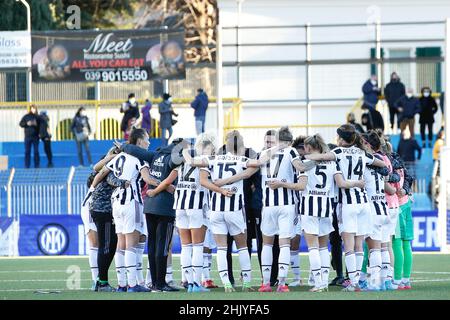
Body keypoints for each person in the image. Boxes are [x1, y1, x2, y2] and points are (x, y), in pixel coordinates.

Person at [184, 131, 277, 292]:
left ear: (225, 144)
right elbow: (257, 165)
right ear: (241, 145)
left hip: (216, 210)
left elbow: (192, 163)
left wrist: (184, 149)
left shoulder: (213, 159)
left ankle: (227, 283)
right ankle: (246, 284)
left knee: (221, 248)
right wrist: (276, 148)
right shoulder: (242, 159)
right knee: (242, 247)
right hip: (235, 209)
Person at [273, 134, 364, 292]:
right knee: (323, 247)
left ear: (308, 147)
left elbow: (301, 186)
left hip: (310, 206)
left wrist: (282, 183)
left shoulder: (305, 163)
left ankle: (319, 283)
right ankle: (324, 281)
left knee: (313, 247)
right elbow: (339, 183)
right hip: (327, 206)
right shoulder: (332, 163)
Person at [304, 124, 387, 292]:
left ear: (341, 139)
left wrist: (305, 157)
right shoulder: (362, 153)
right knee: (359, 245)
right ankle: (361, 282)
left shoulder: (338, 152)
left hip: (347, 204)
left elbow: (319, 157)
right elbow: (381, 163)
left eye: (338, 137)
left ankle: (354, 283)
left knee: (348, 246)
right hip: (364, 203)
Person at [94, 128, 159, 293]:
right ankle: (132, 284)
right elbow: (147, 179)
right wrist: (165, 185)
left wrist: (92, 188)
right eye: (147, 139)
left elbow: (100, 171)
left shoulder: (119, 157)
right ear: (139, 142)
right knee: (131, 244)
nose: (149, 143)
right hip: (132, 202)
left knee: (121, 245)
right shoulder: (140, 159)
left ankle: (122, 284)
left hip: (116, 202)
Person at [149, 133, 216, 293]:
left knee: (186, 247)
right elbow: (207, 182)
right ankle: (195, 284)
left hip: (180, 206)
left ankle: (188, 282)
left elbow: (167, 180)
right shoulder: (206, 161)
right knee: (198, 247)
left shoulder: (182, 161)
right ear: (208, 147)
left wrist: (154, 191)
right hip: (197, 206)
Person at [120, 136, 183, 292]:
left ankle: (154, 282)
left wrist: (123, 146)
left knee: (153, 244)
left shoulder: (155, 155)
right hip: (165, 206)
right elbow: (174, 167)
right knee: (163, 246)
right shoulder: (173, 158)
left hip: (149, 204)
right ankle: (161, 283)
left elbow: (135, 150)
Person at [359, 132, 394, 291]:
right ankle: (386, 281)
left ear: (367, 144)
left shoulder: (363, 161)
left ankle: (375, 283)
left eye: (362, 142)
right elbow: (387, 184)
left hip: (372, 209)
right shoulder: (380, 161)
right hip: (383, 207)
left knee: (373, 248)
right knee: (383, 247)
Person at [87, 146, 125, 292]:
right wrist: (126, 181)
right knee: (107, 246)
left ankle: (100, 280)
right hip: (103, 210)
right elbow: (112, 180)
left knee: (108, 244)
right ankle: (102, 282)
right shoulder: (111, 167)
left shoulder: (104, 165)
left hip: (101, 209)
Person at [19, 104, 40, 168]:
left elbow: (42, 125)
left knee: (36, 151)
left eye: (34, 108)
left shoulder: (38, 117)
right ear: (30, 109)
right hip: (27, 137)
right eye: (32, 108)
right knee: (27, 151)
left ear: (36, 109)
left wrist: (36, 124)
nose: (33, 110)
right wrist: (27, 124)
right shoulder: (26, 116)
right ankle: (27, 165)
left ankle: (37, 165)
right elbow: (21, 124)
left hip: (36, 137)